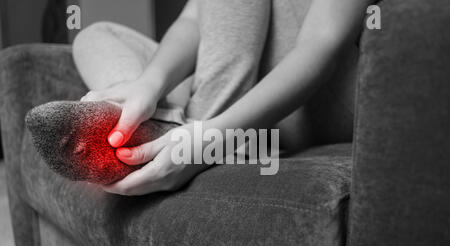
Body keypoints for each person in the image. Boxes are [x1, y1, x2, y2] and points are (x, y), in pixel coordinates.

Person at [73, 0, 374, 195]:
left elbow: (322, 44)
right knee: (96, 36)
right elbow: (193, 22)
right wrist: (148, 85)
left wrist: (217, 136)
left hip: (312, 97)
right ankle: (170, 128)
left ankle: (207, 132)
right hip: (240, 82)